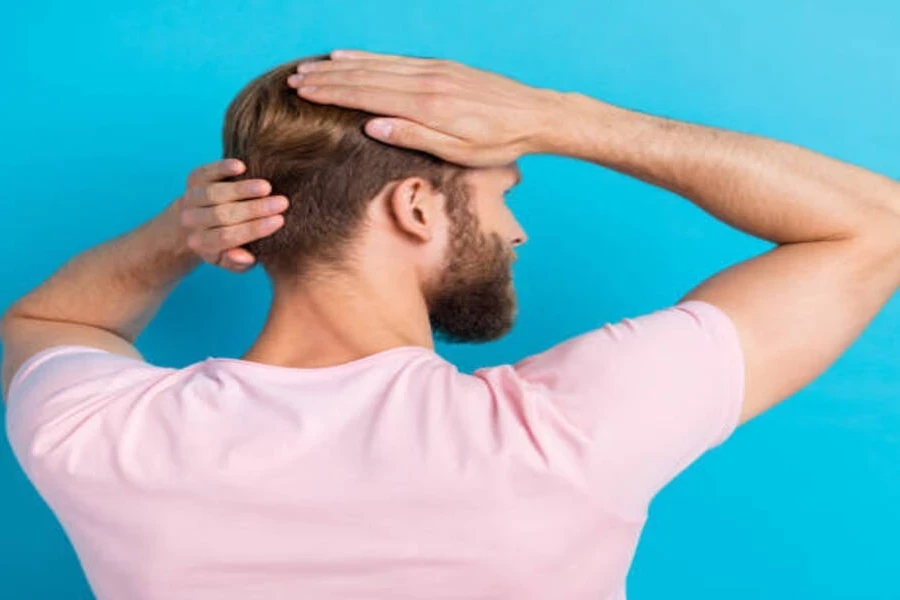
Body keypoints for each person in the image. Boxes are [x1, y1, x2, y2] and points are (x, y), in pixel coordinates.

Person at [2, 49, 899, 600]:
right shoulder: (564, 432)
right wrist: (561, 118)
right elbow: (873, 224)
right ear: (418, 207)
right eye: (502, 194)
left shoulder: (107, 439)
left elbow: (43, 318)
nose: (516, 231)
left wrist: (178, 233)